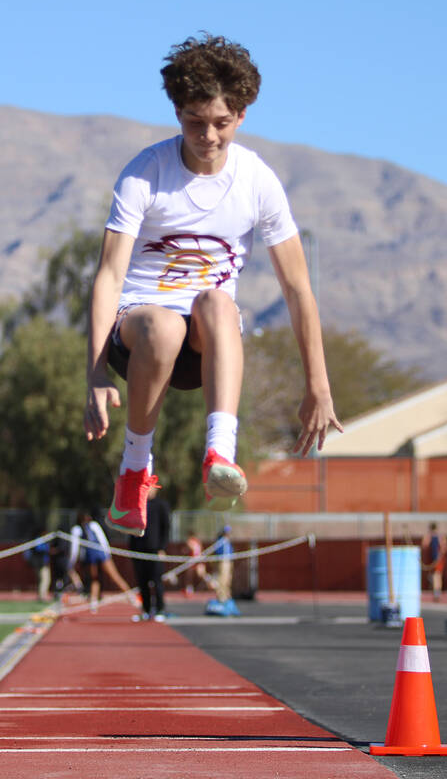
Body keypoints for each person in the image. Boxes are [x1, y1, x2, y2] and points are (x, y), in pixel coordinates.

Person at [84, 33, 341, 536]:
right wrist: (94, 374)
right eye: (194, 123)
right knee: (162, 325)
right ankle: (135, 470)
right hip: (139, 329)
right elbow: (109, 275)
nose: (208, 136)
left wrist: (318, 383)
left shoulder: (257, 181)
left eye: (221, 123)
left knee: (220, 303)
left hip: (206, 339)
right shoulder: (145, 173)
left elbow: (297, 289)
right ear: (177, 113)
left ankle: (220, 453)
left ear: (242, 115)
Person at [130, 485, 172, 621]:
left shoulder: (161, 505)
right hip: (139, 550)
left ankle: (159, 609)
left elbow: (166, 528)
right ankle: (146, 610)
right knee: (142, 582)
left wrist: (162, 548)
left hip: (154, 550)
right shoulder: (138, 504)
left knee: (157, 580)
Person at [420, 522, 447, 602]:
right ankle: (437, 592)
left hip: (435, 559)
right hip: (437, 560)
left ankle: (436, 593)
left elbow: (424, 545)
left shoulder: (431, 536)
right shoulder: (441, 536)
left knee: (436, 576)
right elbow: (445, 548)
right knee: (438, 576)